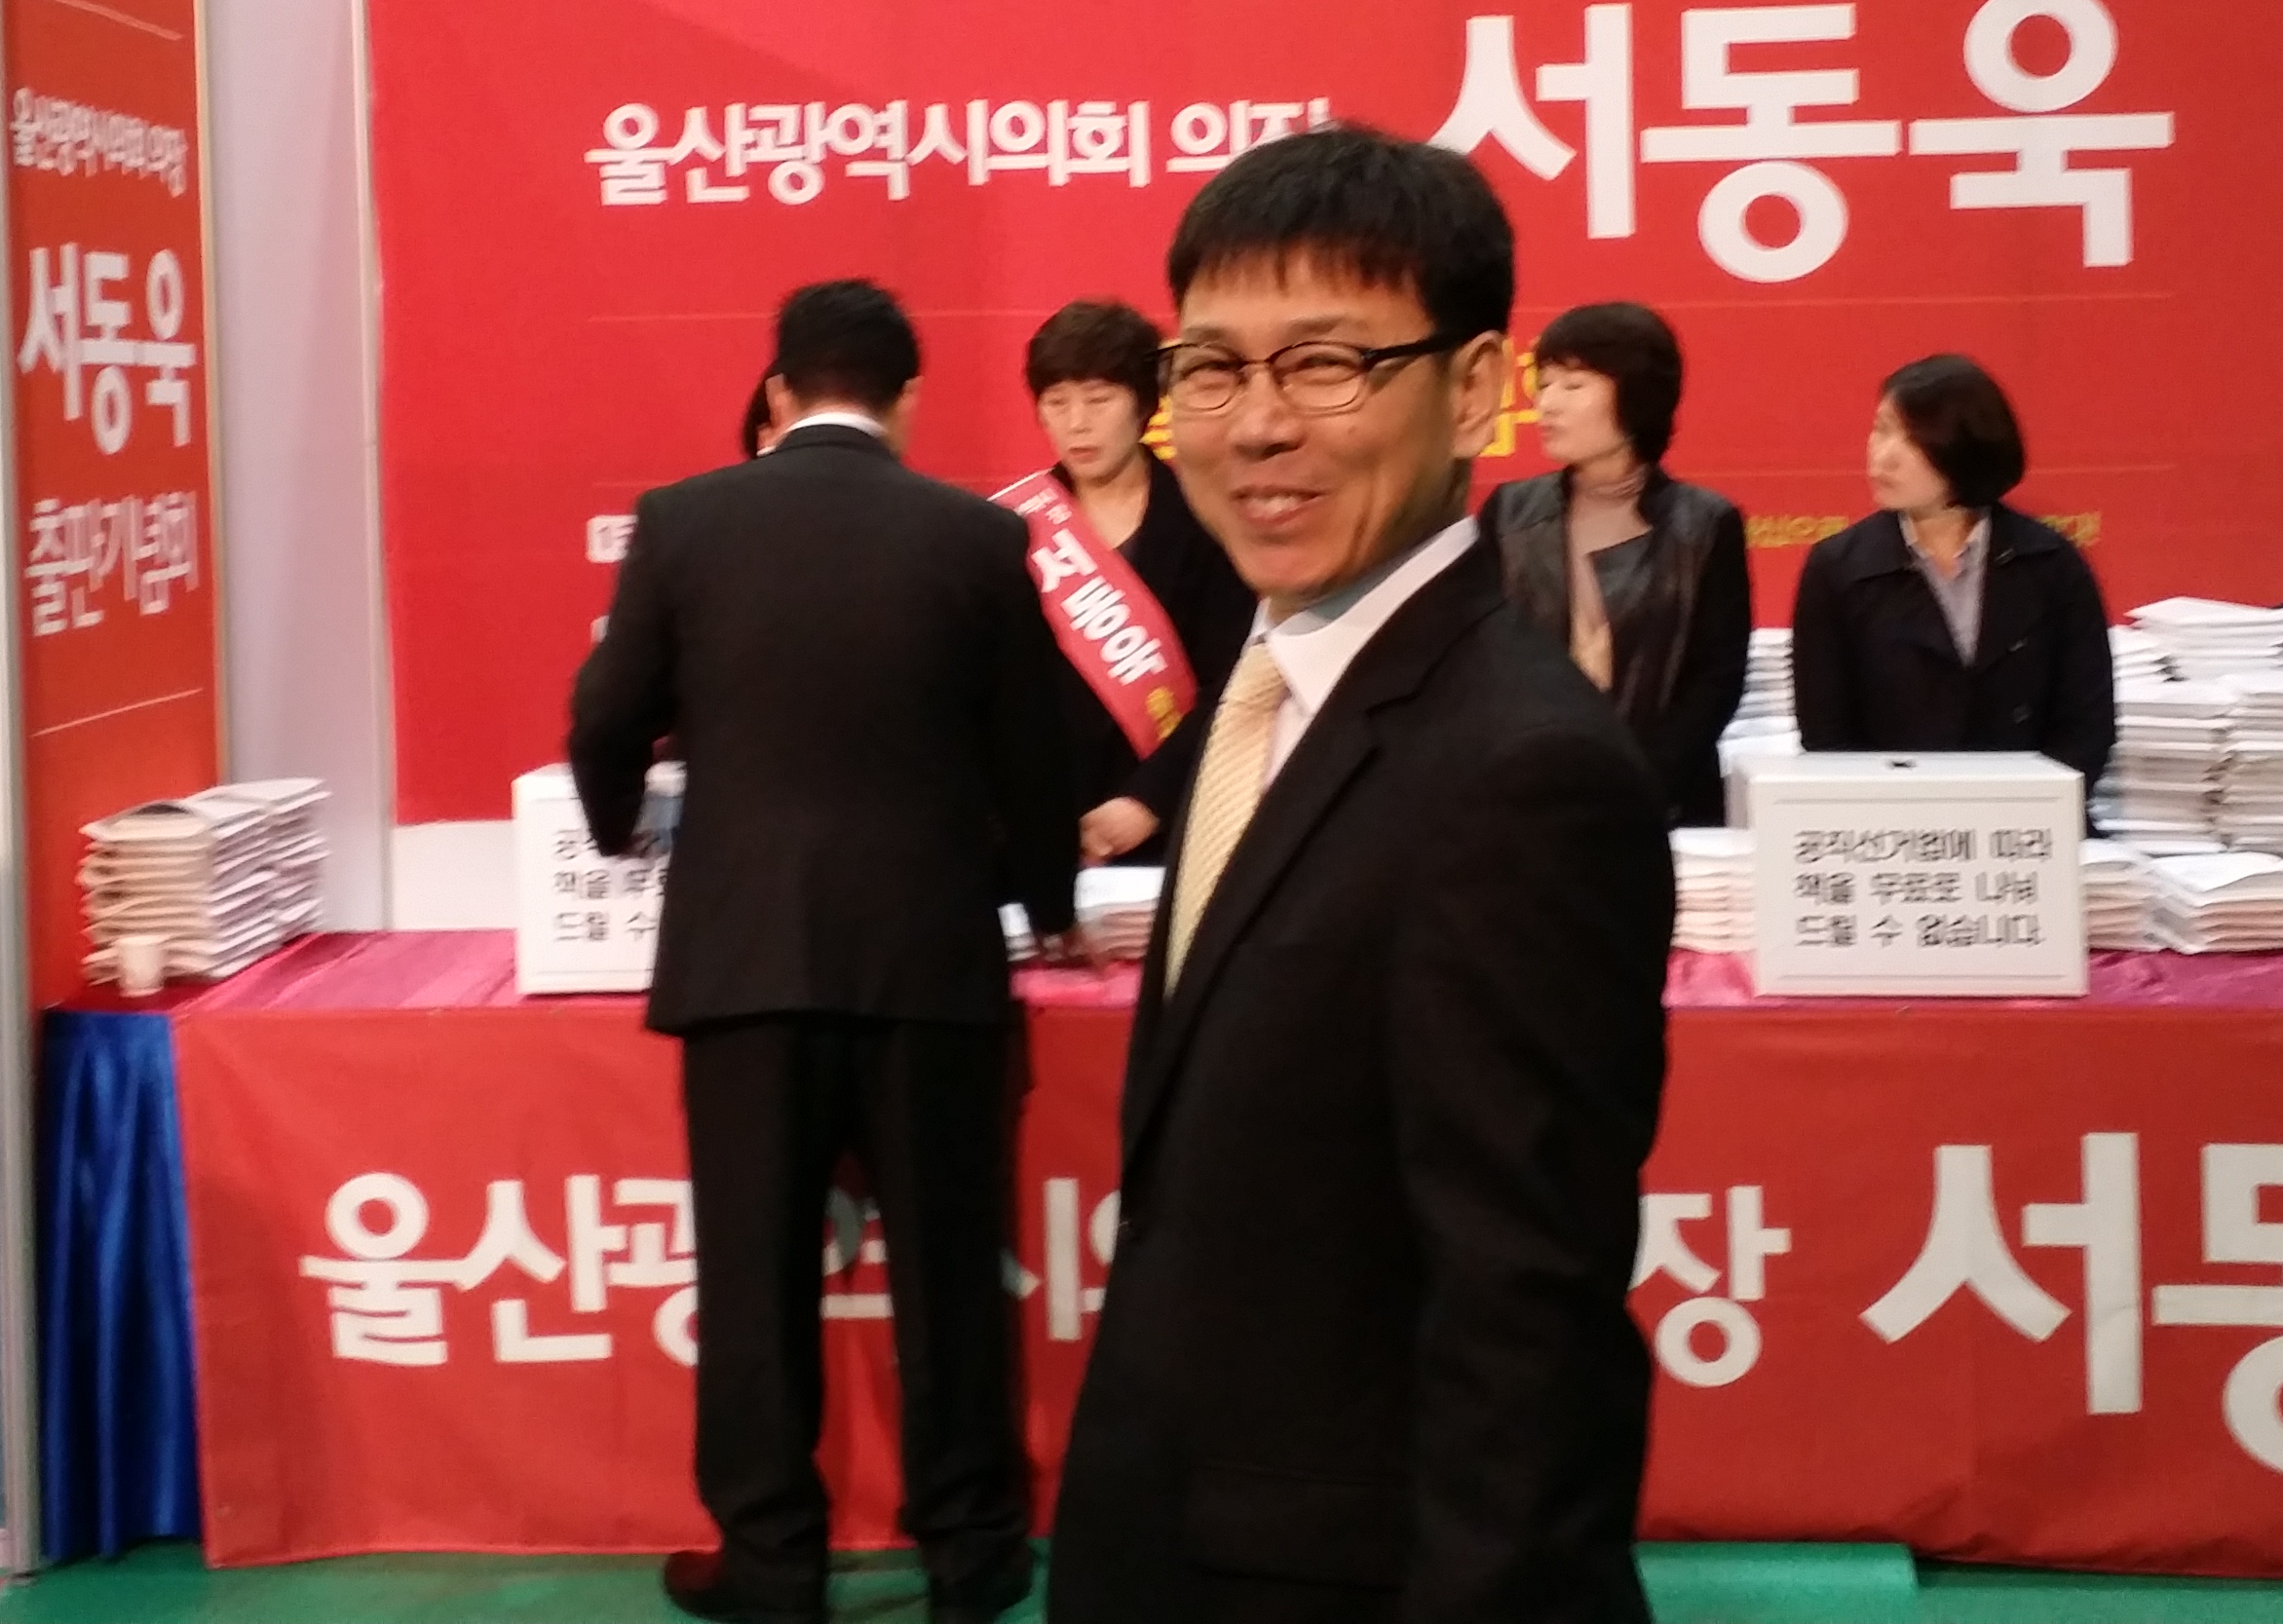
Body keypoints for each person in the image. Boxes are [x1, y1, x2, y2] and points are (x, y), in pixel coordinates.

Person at [1049, 129, 1672, 1624]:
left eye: (1327, 363)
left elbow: (1528, 1325)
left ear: (1472, 388)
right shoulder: (1268, 683)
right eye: (1212, 369)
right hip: (1179, 1524)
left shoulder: (1522, 768)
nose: (1259, 425)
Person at [568, 280, 1073, 1624]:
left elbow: (606, 715)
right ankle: (972, 1550)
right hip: (932, 959)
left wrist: (619, 833)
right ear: (907, 400)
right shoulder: (977, 535)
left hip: (746, 958)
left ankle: (772, 1562)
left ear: (780, 389)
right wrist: (1047, 901)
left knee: (753, 1273)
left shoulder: (683, 520)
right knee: (951, 1268)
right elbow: (1034, 749)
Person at [1481, 303, 1751, 825]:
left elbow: (1714, 681)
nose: (1546, 404)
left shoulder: (1705, 524)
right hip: (1529, 798)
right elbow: (1485, 663)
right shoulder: (1509, 514)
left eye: (1573, 385)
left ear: (1636, 394)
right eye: (1545, 383)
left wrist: (1638, 786)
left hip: (1665, 806)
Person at [1790, 354, 2115, 788]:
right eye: (1881, 429)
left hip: (2028, 815)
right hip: (1889, 816)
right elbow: (1827, 738)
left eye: (1913, 439)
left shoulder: (2051, 563)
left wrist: (2030, 809)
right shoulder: (1837, 569)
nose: (1884, 457)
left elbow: (2086, 728)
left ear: (1965, 448)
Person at [1025, 300, 1252, 867]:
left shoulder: (1208, 523)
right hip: (1048, 835)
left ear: (1146, 404)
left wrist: (1148, 802)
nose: (1077, 423)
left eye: (1099, 399)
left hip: (1180, 828)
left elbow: (1238, 685)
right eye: (1057, 402)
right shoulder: (1013, 530)